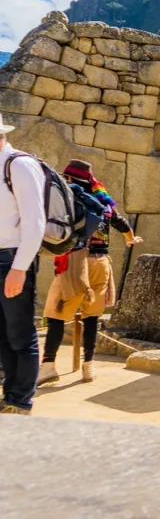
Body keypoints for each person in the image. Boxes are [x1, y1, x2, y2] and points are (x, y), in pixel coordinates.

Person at [37, 160, 141, 386]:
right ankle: (88, 367)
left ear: (71, 179)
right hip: (101, 263)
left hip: (74, 264)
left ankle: (48, 366)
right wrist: (131, 239)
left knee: (55, 315)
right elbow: (122, 224)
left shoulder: (68, 198)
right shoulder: (102, 201)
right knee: (92, 317)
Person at [0, 114, 46, 415]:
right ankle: (10, 396)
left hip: (13, 257)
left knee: (20, 332)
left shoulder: (19, 164)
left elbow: (35, 222)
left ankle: (21, 401)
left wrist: (19, 268)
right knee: (3, 333)